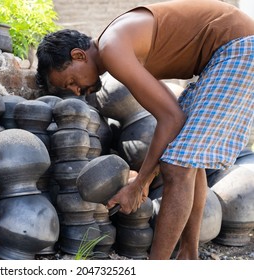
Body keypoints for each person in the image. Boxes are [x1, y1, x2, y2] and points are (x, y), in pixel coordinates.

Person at [35, 0, 254, 259]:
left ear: (78, 55)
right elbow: (176, 114)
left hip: (238, 47)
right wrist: (142, 179)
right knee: (187, 157)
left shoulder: (112, 49)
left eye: (71, 81)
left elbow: (170, 119)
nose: (75, 91)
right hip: (226, 52)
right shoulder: (119, 45)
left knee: (176, 165)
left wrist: (140, 184)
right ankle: (189, 255)